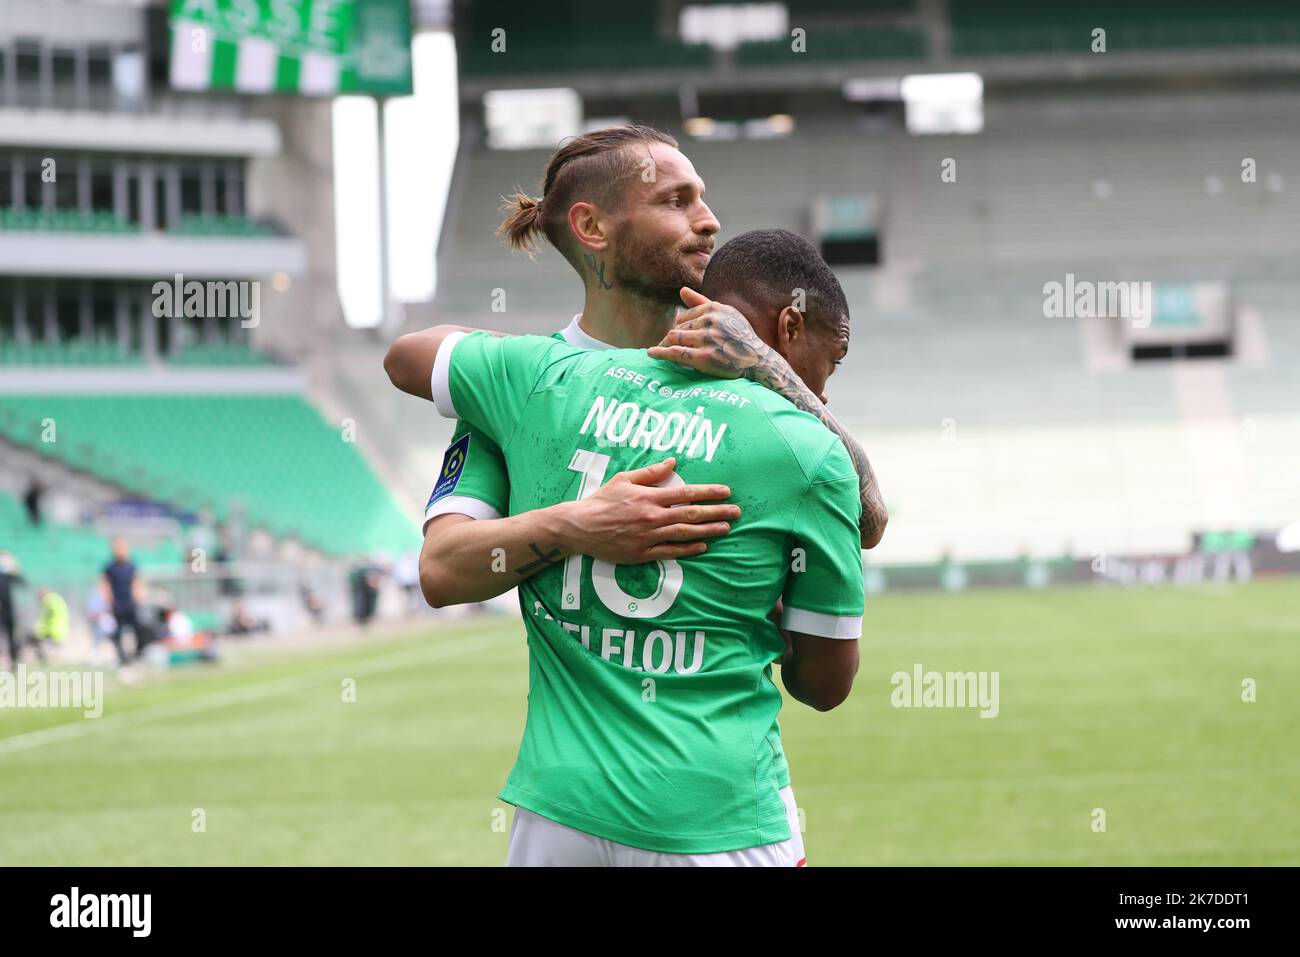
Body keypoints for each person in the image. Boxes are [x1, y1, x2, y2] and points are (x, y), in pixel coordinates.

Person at [387, 227, 869, 866]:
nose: (826, 391)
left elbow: (405, 358)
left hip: (558, 809)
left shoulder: (544, 379)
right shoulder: (805, 447)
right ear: (787, 326)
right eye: (828, 364)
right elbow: (823, 684)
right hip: (717, 815)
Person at [101, 538, 143, 665]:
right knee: (118, 631)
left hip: (130, 604)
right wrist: (108, 600)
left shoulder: (131, 565)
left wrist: (138, 596)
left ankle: (136, 654)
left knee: (137, 629)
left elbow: (137, 581)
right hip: (117, 604)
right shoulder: (110, 567)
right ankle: (121, 657)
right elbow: (105, 584)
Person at [24, 588, 69, 664]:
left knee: (33, 639)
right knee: (40, 642)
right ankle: (48, 656)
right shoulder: (56, 599)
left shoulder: (49, 601)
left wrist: (40, 626)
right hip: (57, 629)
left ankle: (45, 656)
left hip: (53, 629)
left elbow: (49, 614)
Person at [0, 550, 26, 669]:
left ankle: (13, 661)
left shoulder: (9, 575)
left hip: (8, 611)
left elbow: (22, 582)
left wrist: (14, 568)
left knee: (11, 636)